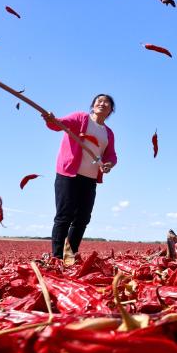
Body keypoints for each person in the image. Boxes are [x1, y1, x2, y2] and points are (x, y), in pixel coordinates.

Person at [44, 94, 117, 260]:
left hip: (90, 179)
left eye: (107, 102)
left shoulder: (108, 133)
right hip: (68, 174)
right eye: (99, 101)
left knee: (83, 218)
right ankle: (57, 257)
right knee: (64, 215)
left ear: (111, 110)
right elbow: (59, 124)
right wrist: (50, 119)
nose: (102, 103)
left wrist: (108, 165)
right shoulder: (81, 118)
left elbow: (111, 155)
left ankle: (70, 255)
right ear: (93, 105)